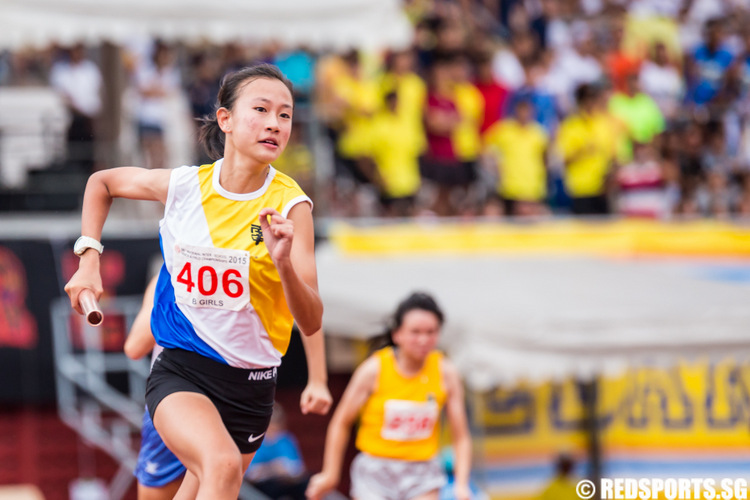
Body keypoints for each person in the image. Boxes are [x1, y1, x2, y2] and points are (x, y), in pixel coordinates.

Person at [64, 63, 324, 500]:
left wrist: (283, 266)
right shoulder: (185, 186)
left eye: (285, 114)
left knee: (211, 481)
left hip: (252, 385)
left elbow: (312, 319)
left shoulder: (291, 206)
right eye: (260, 109)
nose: (274, 124)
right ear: (225, 119)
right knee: (219, 467)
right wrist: (88, 259)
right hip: (183, 369)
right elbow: (102, 183)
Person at [124, 276, 332, 500]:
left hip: (233, 390)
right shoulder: (172, 275)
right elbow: (135, 348)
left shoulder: (248, 260)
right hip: (182, 391)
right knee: (208, 473)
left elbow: (307, 296)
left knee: (219, 471)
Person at [306, 292, 472, 500]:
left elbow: (461, 436)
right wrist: (330, 474)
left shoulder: (446, 372)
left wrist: (462, 484)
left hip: (422, 472)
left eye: (431, 332)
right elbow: (341, 423)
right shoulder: (373, 370)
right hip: (376, 471)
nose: (423, 339)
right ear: (397, 334)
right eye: (415, 332)